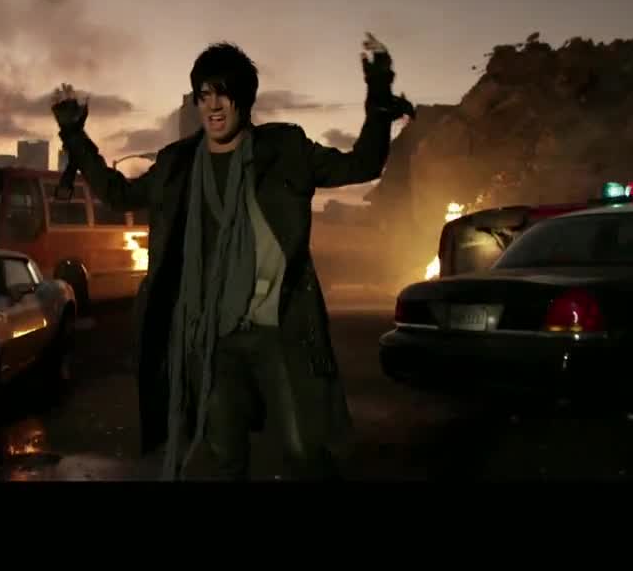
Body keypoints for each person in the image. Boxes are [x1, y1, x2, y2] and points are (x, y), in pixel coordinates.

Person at [50, 33, 412, 480]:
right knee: (222, 457)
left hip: (277, 330)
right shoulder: (178, 164)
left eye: (223, 93)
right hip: (212, 337)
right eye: (204, 95)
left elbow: (363, 164)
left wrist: (379, 94)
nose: (214, 106)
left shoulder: (285, 149)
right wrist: (74, 134)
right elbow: (118, 194)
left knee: (304, 451)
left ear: (245, 99)